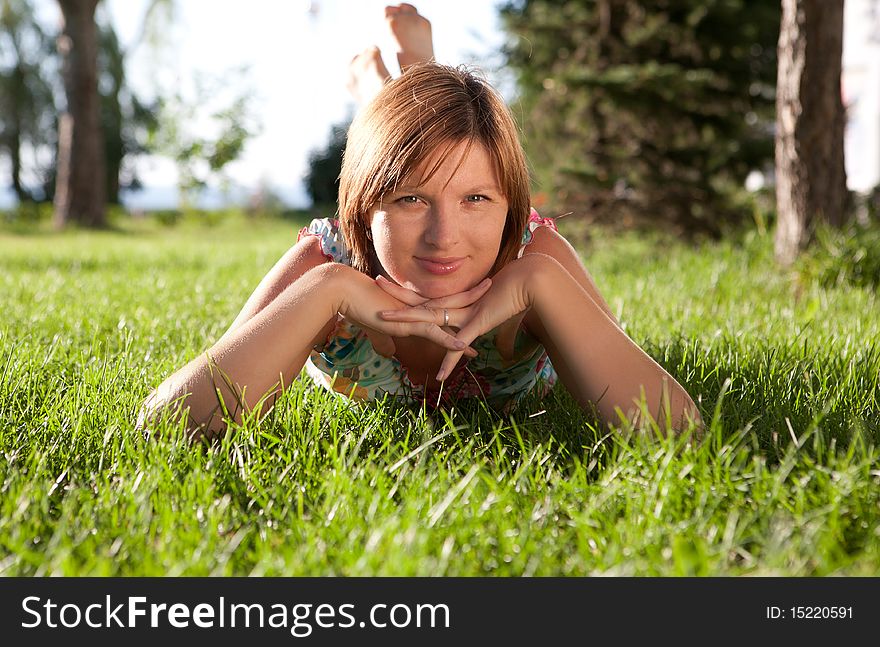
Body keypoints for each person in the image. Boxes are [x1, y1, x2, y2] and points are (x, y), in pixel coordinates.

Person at [139, 4, 702, 440]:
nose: (444, 237)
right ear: (362, 208)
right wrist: (330, 291)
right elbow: (168, 425)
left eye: (479, 200)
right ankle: (384, 96)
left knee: (434, 147)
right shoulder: (325, 261)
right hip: (356, 241)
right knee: (410, 145)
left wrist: (539, 285)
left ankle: (410, 81)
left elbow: (677, 433)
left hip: (509, 246)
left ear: (510, 204)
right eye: (409, 201)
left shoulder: (537, 256)